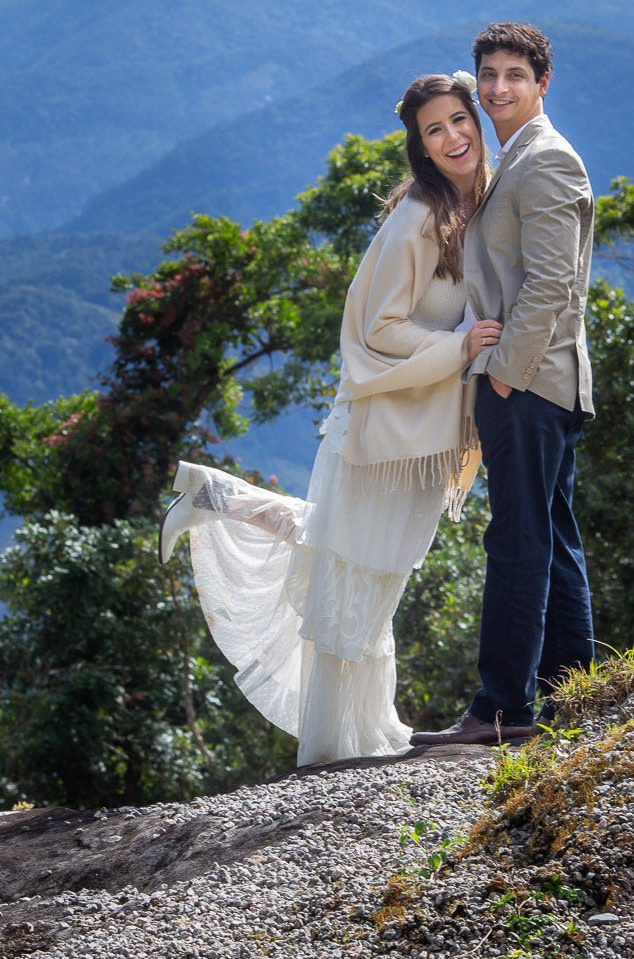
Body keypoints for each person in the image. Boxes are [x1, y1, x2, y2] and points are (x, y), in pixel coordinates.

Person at [158, 71, 504, 766]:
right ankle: (336, 746)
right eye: (434, 129)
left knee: (364, 563)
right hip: (384, 428)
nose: (452, 136)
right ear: (422, 148)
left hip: (424, 432)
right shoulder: (419, 218)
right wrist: (458, 344)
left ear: (477, 119)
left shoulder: (481, 204)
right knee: (354, 570)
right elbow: (377, 330)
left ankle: (217, 496)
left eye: (458, 120)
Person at [410, 22, 595, 748]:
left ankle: (500, 710)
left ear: (542, 82)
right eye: (487, 75)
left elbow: (553, 283)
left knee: (517, 540)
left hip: (530, 382)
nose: (495, 89)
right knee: (550, 535)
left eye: (513, 75)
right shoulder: (520, 157)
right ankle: (569, 699)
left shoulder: (545, 160)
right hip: (543, 383)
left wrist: (507, 377)